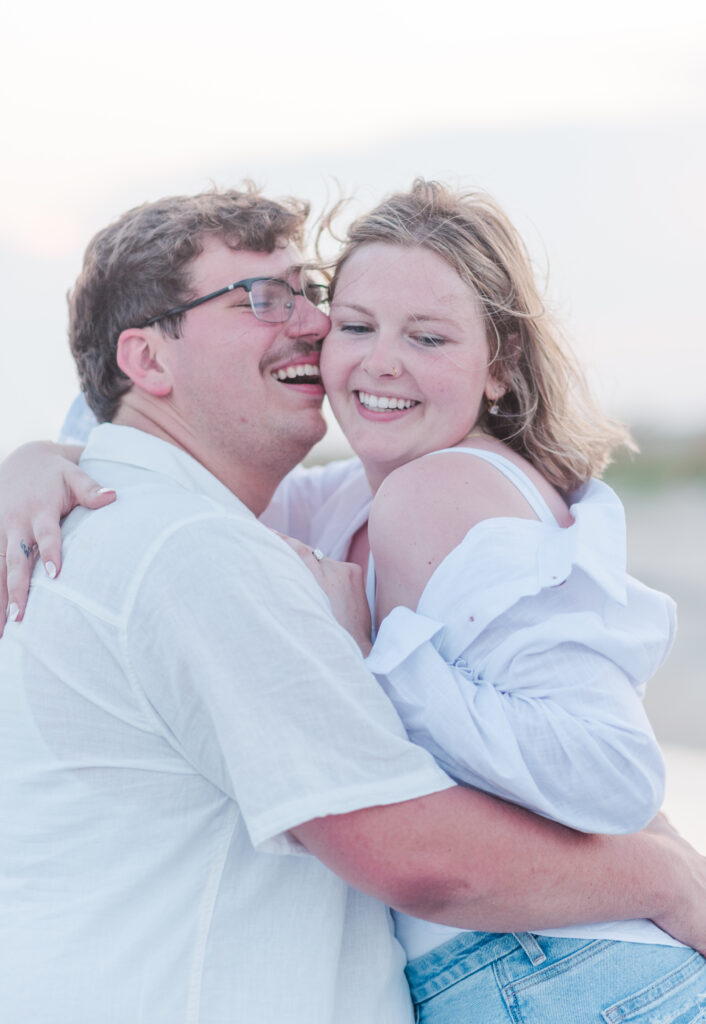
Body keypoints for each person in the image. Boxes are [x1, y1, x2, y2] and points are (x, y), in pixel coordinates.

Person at [1, 185, 705, 1024]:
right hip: (520, 964)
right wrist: (39, 456)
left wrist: (371, 652)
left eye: (307, 295)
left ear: (501, 364)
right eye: (269, 301)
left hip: (558, 968)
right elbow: (129, 409)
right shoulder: (276, 518)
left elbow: (613, 768)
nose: (311, 326)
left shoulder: (425, 494)